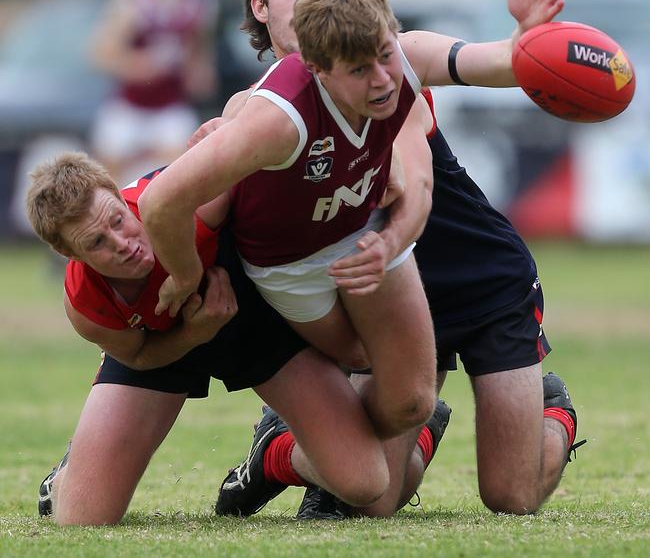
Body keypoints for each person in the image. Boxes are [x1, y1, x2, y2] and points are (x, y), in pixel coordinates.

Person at [188, 0, 584, 519]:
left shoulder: (389, 71)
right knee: (372, 497)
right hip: (390, 298)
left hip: (477, 280)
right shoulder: (258, 112)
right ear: (261, 7)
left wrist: (527, 41)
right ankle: (306, 445)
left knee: (511, 495)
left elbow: (422, 163)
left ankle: (550, 411)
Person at [28, 152, 450, 524]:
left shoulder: (190, 201)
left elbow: (262, 133)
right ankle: (70, 473)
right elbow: (138, 356)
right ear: (70, 255)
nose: (123, 243)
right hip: (165, 348)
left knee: (366, 483)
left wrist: (229, 123)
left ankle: (272, 452)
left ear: (120, 195)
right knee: (82, 517)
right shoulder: (86, 304)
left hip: (253, 323)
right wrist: (195, 332)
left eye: (118, 220)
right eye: (97, 242)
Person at [90, 0, 218, 188]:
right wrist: (136, 65)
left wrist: (200, 75)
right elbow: (100, 54)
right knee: (107, 179)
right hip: (130, 106)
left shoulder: (200, 5)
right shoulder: (134, 2)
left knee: (180, 177)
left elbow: (199, 58)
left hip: (170, 107)